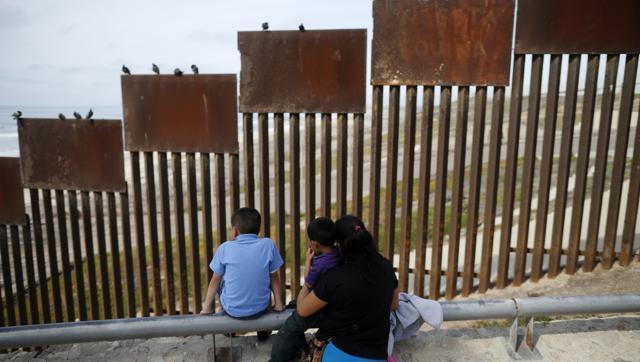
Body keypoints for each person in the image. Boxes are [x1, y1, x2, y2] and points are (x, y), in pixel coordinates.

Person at [297, 215, 399, 361]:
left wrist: (307, 285)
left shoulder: (335, 278)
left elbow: (302, 309)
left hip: (339, 353)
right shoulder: (387, 267)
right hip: (376, 356)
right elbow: (394, 304)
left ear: (340, 245)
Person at [200, 207, 285, 335]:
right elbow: (275, 278)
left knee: (221, 278)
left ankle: (229, 328)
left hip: (232, 311)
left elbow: (214, 281)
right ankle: (263, 329)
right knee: (266, 276)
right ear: (259, 230)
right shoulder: (268, 245)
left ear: (234, 231)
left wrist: (206, 308)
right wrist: (278, 305)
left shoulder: (225, 248)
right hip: (260, 309)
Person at [270, 217, 341, 361]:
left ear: (314, 243)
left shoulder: (320, 264)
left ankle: (276, 359)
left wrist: (308, 260)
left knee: (289, 329)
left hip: (320, 306)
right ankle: (300, 346)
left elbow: (308, 282)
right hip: (332, 300)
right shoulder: (339, 253)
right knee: (291, 305)